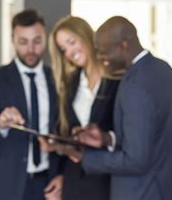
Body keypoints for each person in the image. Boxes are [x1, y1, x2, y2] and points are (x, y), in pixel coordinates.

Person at [65, 16, 172, 200]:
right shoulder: (163, 69)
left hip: (140, 192)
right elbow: (151, 136)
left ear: (124, 46)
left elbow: (136, 161)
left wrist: (86, 158)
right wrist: (106, 139)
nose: (101, 58)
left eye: (104, 52)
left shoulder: (136, 84)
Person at [0, 9, 61, 200]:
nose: (30, 49)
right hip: (6, 184)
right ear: (13, 39)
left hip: (48, 183)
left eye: (37, 41)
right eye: (23, 42)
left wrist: (62, 174)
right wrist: (1, 125)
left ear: (45, 38)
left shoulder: (57, 79)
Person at [42, 15, 119, 199]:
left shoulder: (117, 79)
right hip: (75, 181)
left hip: (108, 181)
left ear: (85, 35)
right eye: (63, 49)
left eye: (71, 42)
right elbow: (68, 133)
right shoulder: (71, 85)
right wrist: (56, 146)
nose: (69, 52)